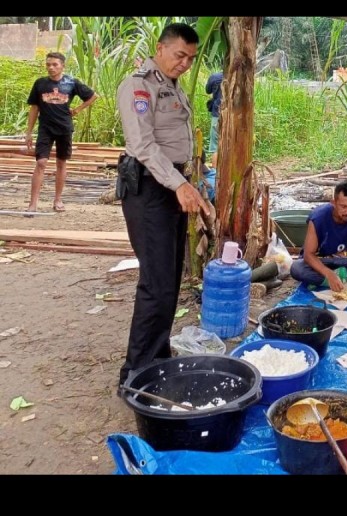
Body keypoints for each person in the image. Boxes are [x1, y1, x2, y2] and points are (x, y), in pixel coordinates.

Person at [115, 23, 210, 389]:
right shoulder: (138, 85)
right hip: (148, 187)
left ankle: (158, 358)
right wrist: (179, 183)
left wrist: (188, 182)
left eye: (190, 58)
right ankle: (136, 373)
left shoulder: (171, 86)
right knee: (156, 284)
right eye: (179, 55)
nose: (185, 63)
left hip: (171, 185)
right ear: (160, 48)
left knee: (169, 280)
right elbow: (142, 145)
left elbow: (176, 140)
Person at [25, 52, 98, 213]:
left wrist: (77, 110)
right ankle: (33, 203)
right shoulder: (40, 84)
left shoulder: (71, 83)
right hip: (45, 128)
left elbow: (93, 96)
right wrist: (28, 132)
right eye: (48, 64)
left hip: (64, 128)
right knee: (41, 162)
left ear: (62, 66)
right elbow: (34, 108)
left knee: (61, 162)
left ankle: (58, 200)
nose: (51, 67)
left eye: (54, 64)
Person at [290, 181, 347, 290]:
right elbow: (308, 255)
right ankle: (341, 279)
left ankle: (324, 281)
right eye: (343, 206)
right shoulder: (319, 217)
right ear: (333, 203)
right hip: (319, 261)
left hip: (341, 261)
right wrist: (329, 274)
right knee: (297, 268)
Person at [205, 71, 223, 154]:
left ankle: (215, 167)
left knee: (215, 148)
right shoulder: (242, 76)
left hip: (217, 113)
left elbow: (208, 90)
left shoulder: (215, 77)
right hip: (238, 117)